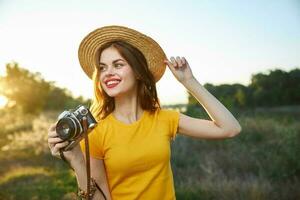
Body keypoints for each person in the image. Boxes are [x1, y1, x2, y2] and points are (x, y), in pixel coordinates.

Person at [47, 25, 242, 200]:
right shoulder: (96, 131)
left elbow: (230, 128)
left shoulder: (164, 118)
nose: (108, 73)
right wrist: (77, 161)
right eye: (102, 67)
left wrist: (188, 81)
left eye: (118, 64)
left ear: (138, 72)